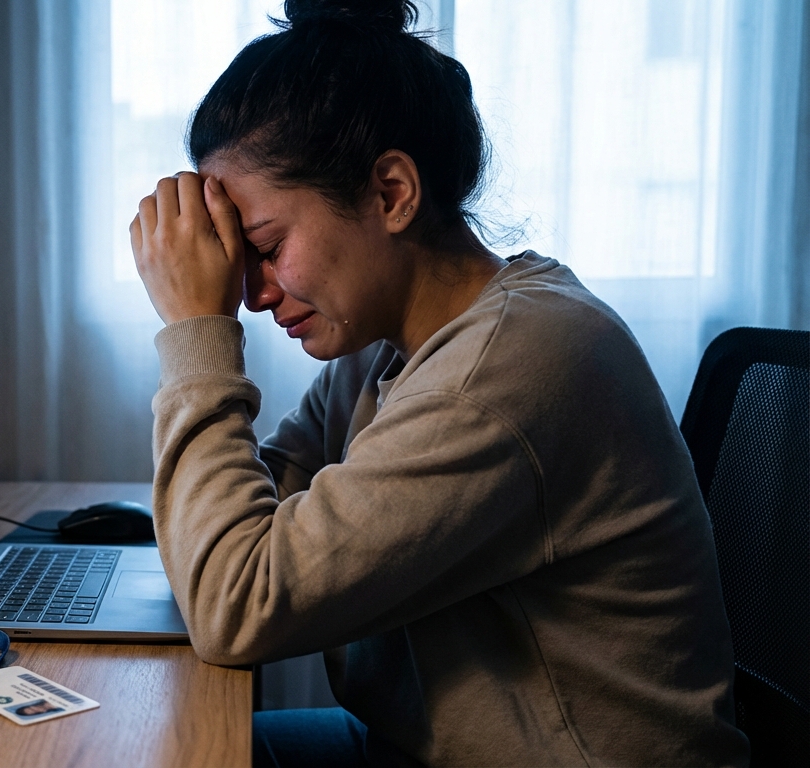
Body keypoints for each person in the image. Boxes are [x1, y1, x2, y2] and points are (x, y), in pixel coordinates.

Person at [127, 1, 748, 765]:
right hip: (407, 749)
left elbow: (236, 603)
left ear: (391, 193)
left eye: (265, 246)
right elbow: (242, 528)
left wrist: (197, 330)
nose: (251, 296)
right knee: (162, 750)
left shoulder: (505, 372)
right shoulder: (387, 347)